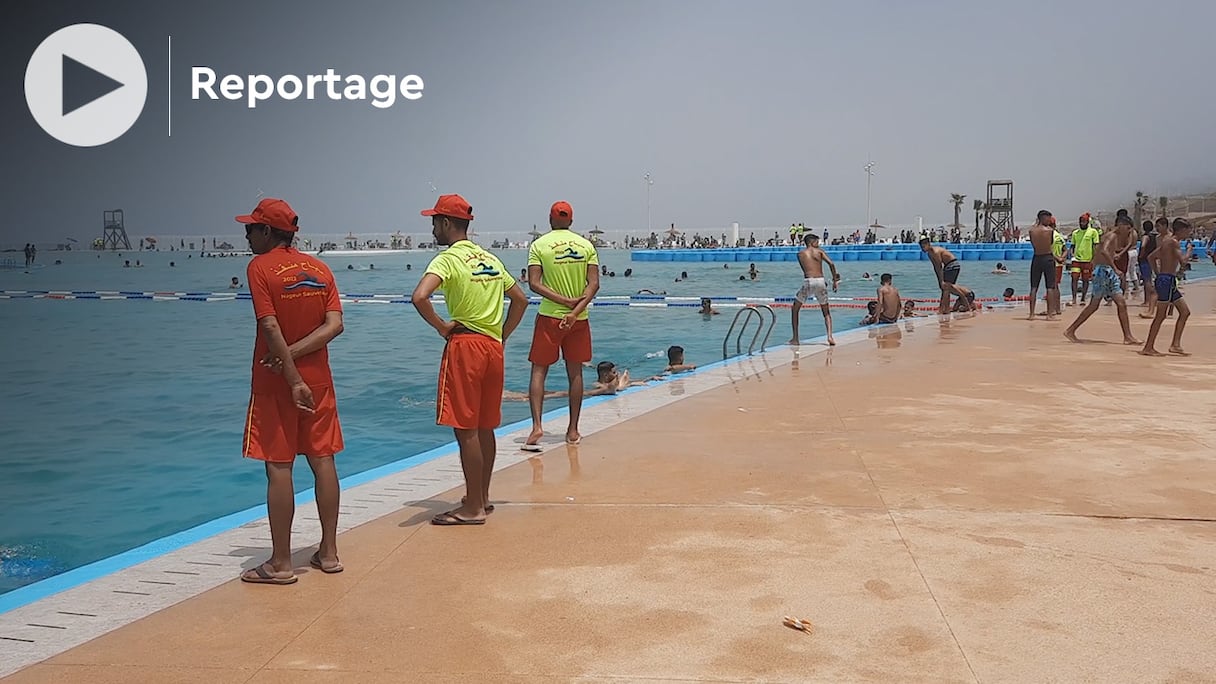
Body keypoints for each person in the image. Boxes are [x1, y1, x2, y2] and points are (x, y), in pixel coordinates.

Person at [237, 198, 346, 585]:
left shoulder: (259, 267)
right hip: (319, 378)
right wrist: (300, 361)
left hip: (276, 381)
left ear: (267, 232)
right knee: (323, 459)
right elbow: (335, 325)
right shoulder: (319, 268)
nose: (246, 235)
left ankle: (281, 563)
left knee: (279, 466)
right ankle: (329, 553)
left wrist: (288, 369)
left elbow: (269, 327)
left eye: (250, 228)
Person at [411, 194, 529, 524]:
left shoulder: (447, 259)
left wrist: (441, 327)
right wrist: (502, 335)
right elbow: (520, 300)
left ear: (447, 224)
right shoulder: (490, 259)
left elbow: (419, 297)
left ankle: (473, 507)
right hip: (492, 348)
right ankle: (483, 496)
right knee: (486, 426)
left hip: (465, 347)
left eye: (434, 221)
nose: (432, 227)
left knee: (466, 430)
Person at [523, 201, 600, 451]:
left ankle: (536, 426)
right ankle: (573, 429)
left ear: (550, 218)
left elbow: (533, 283)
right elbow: (594, 285)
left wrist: (562, 302)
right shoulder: (586, 245)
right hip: (579, 320)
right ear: (571, 220)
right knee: (575, 373)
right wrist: (574, 310)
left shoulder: (539, 245)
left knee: (538, 371)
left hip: (549, 317)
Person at [1063, 215, 1140, 346]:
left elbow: (1101, 251)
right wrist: (1115, 268)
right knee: (1095, 305)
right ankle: (1071, 330)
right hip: (1104, 272)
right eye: (1127, 228)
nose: (1128, 231)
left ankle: (1128, 336)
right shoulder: (1111, 236)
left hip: (1106, 272)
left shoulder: (1113, 236)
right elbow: (1104, 251)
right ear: (1121, 225)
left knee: (1120, 303)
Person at [1140, 218, 1194, 357]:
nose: (1189, 234)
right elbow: (1183, 262)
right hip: (1167, 281)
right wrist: (1188, 251)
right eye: (1188, 231)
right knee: (1160, 315)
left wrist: (1158, 274)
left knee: (1184, 312)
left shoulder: (1167, 242)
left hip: (1167, 280)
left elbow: (1152, 257)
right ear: (1181, 230)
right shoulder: (1174, 242)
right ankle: (1148, 347)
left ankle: (1175, 344)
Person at [788, 233, 840, 345]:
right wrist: (835, 280)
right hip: (821, 281)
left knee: (795, 309)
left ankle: (795, 338)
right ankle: (830, 336)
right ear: (812, 242)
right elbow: (831, 264)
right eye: (817, 241)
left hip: (809, 281)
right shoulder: (820, 252)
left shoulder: (800, 254)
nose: (819, 243)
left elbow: (805, 270)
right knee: (826, 311)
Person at [919, 237, 971, 314]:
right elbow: (935, 268)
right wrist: (939, 281)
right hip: (948, 266)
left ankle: (943, 309)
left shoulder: (935, 252)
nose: (922, 249)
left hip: (952, 265)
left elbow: (939, 267)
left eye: (923, 247)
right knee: (945, 288)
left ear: (928, 244)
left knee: (946, 287)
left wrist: (942, 281)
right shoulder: (930, 254)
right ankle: (946, 308)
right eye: (921, 247)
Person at [1027, 210, 1059, 320]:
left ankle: (1031, 314)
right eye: (1048, 218)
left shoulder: (1032, 231)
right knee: (1050, 287)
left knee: (1034, 287)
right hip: (1048, 258)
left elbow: (1033, 244)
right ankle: (1050, 315)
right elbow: (1050, 244)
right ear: (1043, 218)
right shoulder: (1050, 231)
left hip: (1036, 258)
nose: (1050, 220)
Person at [1068, 213, 1101, 307]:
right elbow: (1072, 246)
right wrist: (1071, 256)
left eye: (1084, 222)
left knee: (1085, 279)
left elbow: (1096, 246)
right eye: (1080, 222)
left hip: (1087, 260)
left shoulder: (1093, 232)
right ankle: (1074, 299)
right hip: (1076, 260)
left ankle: (1083, 298)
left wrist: (1094, 259)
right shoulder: (1075, 233)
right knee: (1074, 278)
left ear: (1087, 222)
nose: (1082, 223)